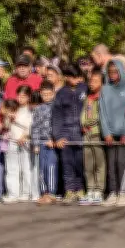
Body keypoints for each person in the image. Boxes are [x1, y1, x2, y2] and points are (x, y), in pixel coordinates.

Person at [100, 59, 125, 207]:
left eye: (115, 71)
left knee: (122, 162)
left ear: (121, 71)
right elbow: (102, 112)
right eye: (110, 72)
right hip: (110, 133)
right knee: (111, 164)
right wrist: (106, 132)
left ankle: (123, 192)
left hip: (124, 134)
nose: (112, 74)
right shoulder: (105, 89)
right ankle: (113, 192)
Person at [52, 65, 88, 204]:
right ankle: (69, 190)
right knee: (67, 163)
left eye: (77, 76)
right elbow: (56, 116)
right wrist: (58, 136)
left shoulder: (84, 89)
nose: (75, 79)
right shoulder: (61, 93)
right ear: (66, 77)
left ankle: (80, 188)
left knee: (80, 162)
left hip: (81, 133)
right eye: (72, 77)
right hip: (65, 132)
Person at [1, 87, 36, 203]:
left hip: (25, 142)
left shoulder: (30, 110)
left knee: (26, 168)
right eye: (19, 96)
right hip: (12, 141)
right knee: (12, 168)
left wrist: (25, 136)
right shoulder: (13, 107)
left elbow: (31, 125)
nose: (20, 99)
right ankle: (13, 193)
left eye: (23, 96)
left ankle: (27, 192)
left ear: (28, 97)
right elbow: (6, 126)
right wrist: (8, 117)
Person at [80, 69, 106, 205]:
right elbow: (83, 113)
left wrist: (90, 123)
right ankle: (90, 189)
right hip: (86, 134)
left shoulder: (102, 97)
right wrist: (83, 124)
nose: (92, 83)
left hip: (97, 133)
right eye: (90, 81)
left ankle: (99, 190)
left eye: (96, 81)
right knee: (88, 163)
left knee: (99, 163)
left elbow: (100, 115)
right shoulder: (87, 97)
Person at [32, 81, 58, 205]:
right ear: (40, 94)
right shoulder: (38, 109)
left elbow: (58, 125)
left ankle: (52, 193)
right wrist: (36, 144)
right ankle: (44, 192)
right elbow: (35, 127)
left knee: (51, 167)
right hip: (42, 142)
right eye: (44, 94)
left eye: (49, 94)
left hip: (53, 143)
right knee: (41, 168)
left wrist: (54, 139)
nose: (47, 97)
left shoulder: (57, 106)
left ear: (54, 93)